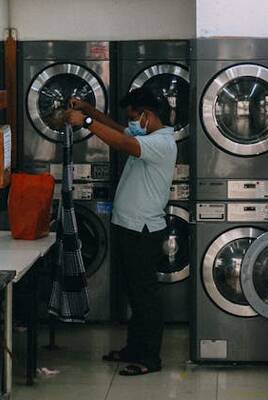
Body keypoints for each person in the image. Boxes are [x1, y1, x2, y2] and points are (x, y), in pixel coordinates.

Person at [65, 88, 177, 376]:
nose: (132, 122)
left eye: (135, 117)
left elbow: (122, 142)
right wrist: (89, 110)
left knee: (144, 296)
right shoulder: (147, 134)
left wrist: (86, 123)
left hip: (142, 231)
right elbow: (118, 129)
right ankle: (134, 349)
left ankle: (150, 358)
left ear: (147, 116)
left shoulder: (162, 143)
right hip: (128, 227)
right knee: (133, 293)